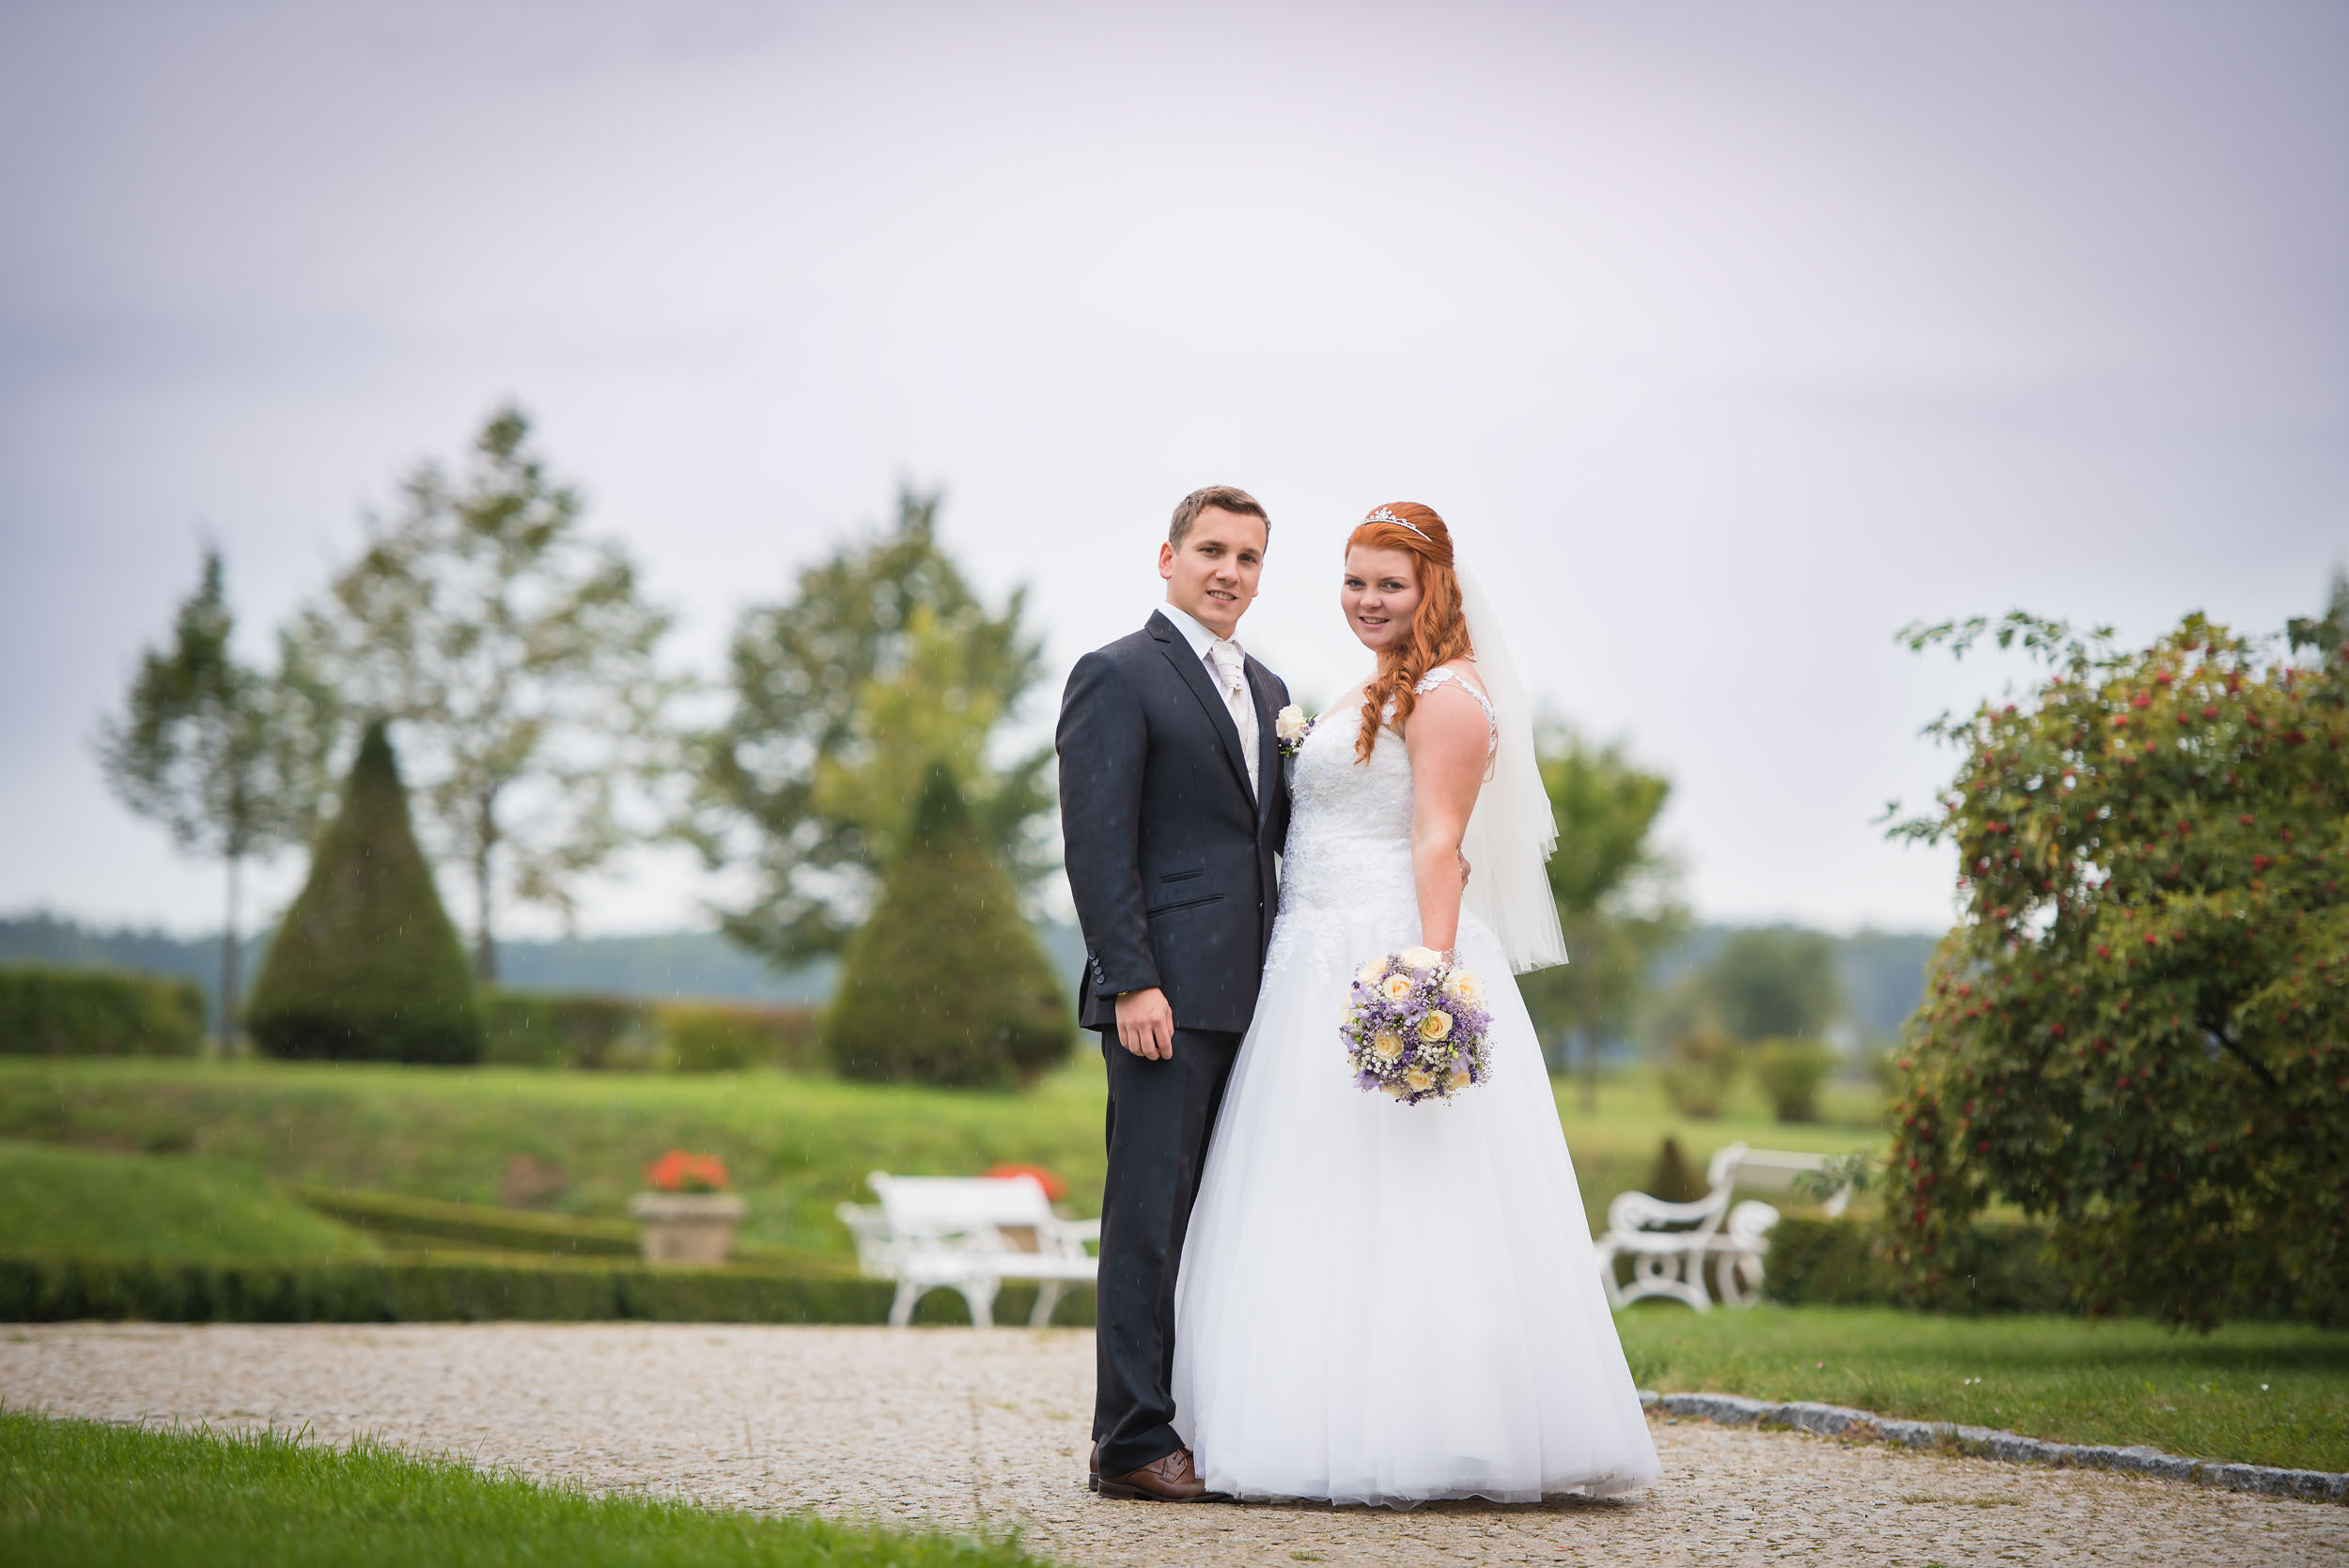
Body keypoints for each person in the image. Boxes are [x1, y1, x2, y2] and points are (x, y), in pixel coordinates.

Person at [1170, 502, 1661, 1506]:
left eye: (1389, 584)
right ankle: (1300, 1415)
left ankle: (1433, 1429)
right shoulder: (1372, 681)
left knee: (1411, 1192)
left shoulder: (1449, 695)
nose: (1367, 599)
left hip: (1384, 956)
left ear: (1433, 587)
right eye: (1354, 580)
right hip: (1307, 956)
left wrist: (1428, 981)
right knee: (1312, 1185)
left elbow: (1440, 842)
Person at [1056, 485, 1292, 1502]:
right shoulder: (1116, 673)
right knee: (1148, 1220)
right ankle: (1129, 1441)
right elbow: (1097, 844)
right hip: (1164, 1000)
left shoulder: (1271, 688)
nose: (1228, 571)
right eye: (1211, 550)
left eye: (1247, 556)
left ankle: (1207, 1418)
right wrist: (1133, 981)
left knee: (1223, 1219)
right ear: (1168, 558)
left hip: (1262, 1000)